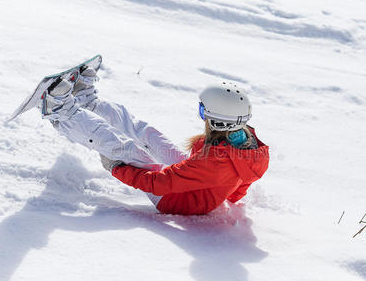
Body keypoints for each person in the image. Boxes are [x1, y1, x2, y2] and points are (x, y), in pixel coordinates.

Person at [42, 66, 269, 215]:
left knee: (130, 152)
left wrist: (120, 169)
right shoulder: (249, 146)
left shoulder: (215, 162)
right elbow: (245, 178)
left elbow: (159, 184)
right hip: (195, 187)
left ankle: (62, 112)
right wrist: (229, 196)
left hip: (174, 201)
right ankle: (88, 102)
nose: (202, 116)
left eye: (204, 112)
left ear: (219, 122)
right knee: (149, 134)